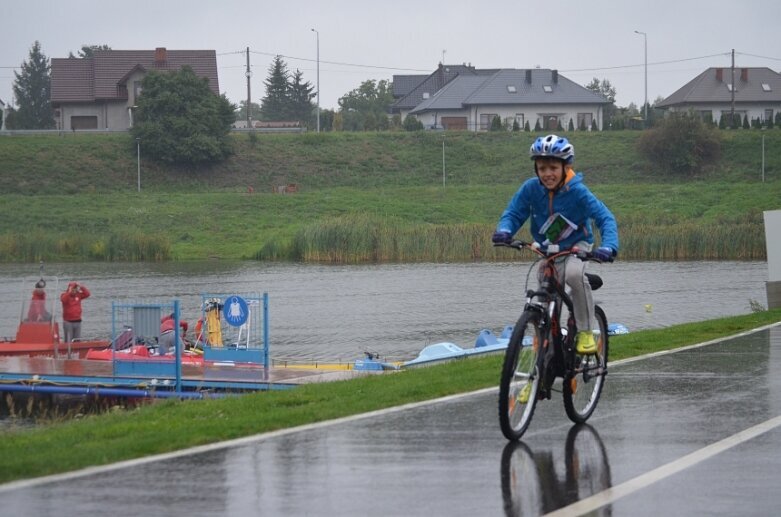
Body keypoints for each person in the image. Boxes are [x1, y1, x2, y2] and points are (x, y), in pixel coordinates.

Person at [492, 134, 618, 355]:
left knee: (572, 275)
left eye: (552, 167)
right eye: (541, 168)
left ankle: (585, 332)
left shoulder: (577, 192)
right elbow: (513, 213)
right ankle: (544, 348)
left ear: (565, 166)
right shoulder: (531, 189)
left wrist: (608, 246)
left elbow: (605, 218)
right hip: (547, 248)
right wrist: (505, 230)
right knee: (543, 292)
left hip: (576, 246)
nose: (547, 174)